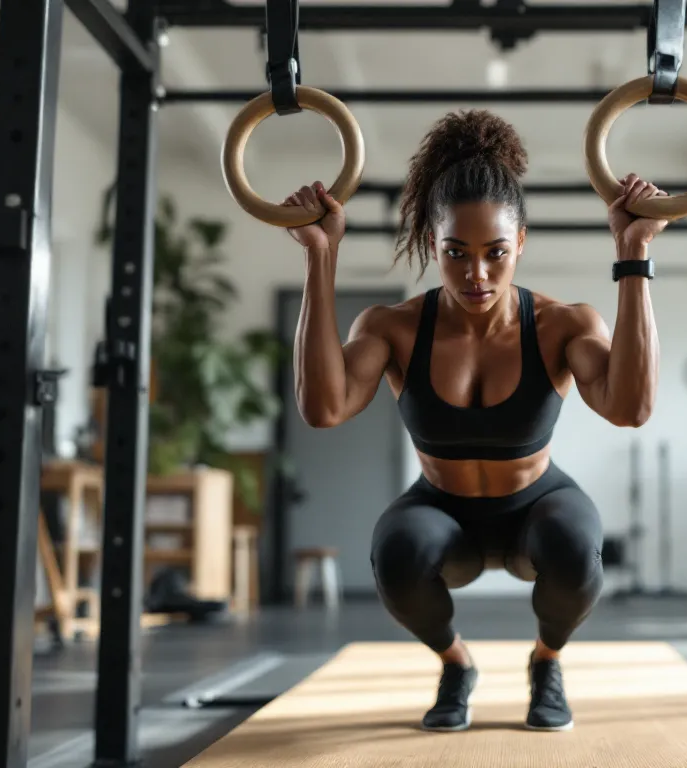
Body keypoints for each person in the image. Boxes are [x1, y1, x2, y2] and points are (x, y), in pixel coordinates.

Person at [284, 110, 664, 733]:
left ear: (521, 244)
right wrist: (320, 258)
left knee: (576, 549)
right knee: (397, 552)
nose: (476, 274)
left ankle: (546, 662)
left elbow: (631, 408)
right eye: (455, 253)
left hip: (538, 506)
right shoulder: (393, 327)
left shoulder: (565, 324)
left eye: (495, 253)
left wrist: (634, 251)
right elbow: (323, 409)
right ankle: (456, 664)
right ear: (433, 247)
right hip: (444, 512)